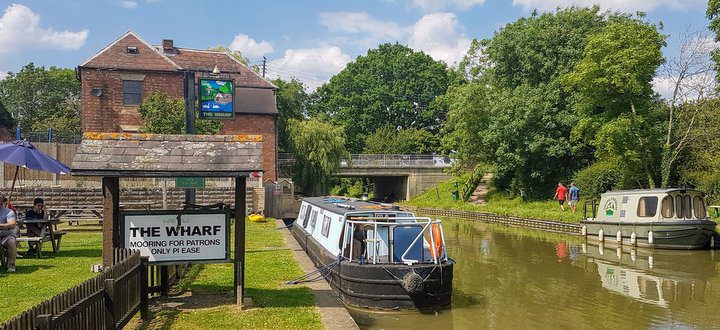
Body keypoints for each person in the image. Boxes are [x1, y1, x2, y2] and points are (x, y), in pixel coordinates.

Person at [0, 195, 18, 272]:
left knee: (11, 241)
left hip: (6, 235)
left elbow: (12, 224)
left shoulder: (9, 212)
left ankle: (11, 265)